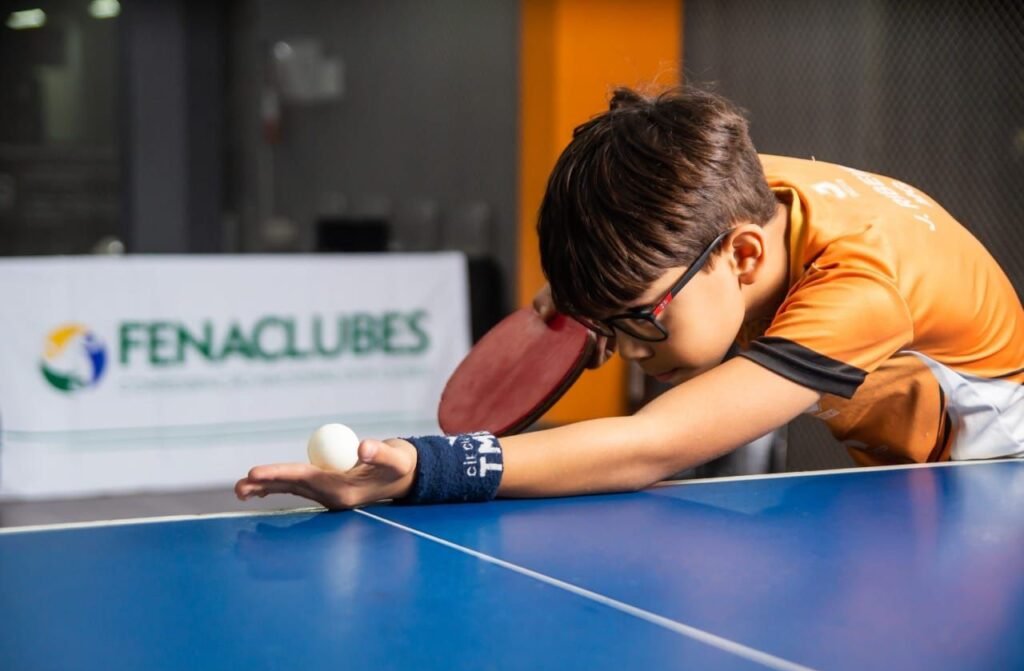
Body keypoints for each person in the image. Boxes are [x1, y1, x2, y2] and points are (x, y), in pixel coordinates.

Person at [235, 85, 1024, 509]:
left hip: (992, 489)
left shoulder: (859, 290)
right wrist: (607, 299)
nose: (632, 350)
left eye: (642, 320)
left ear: (744, 255)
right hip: (904, 474)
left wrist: (424, 468)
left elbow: (655, 445)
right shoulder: (724, 195)